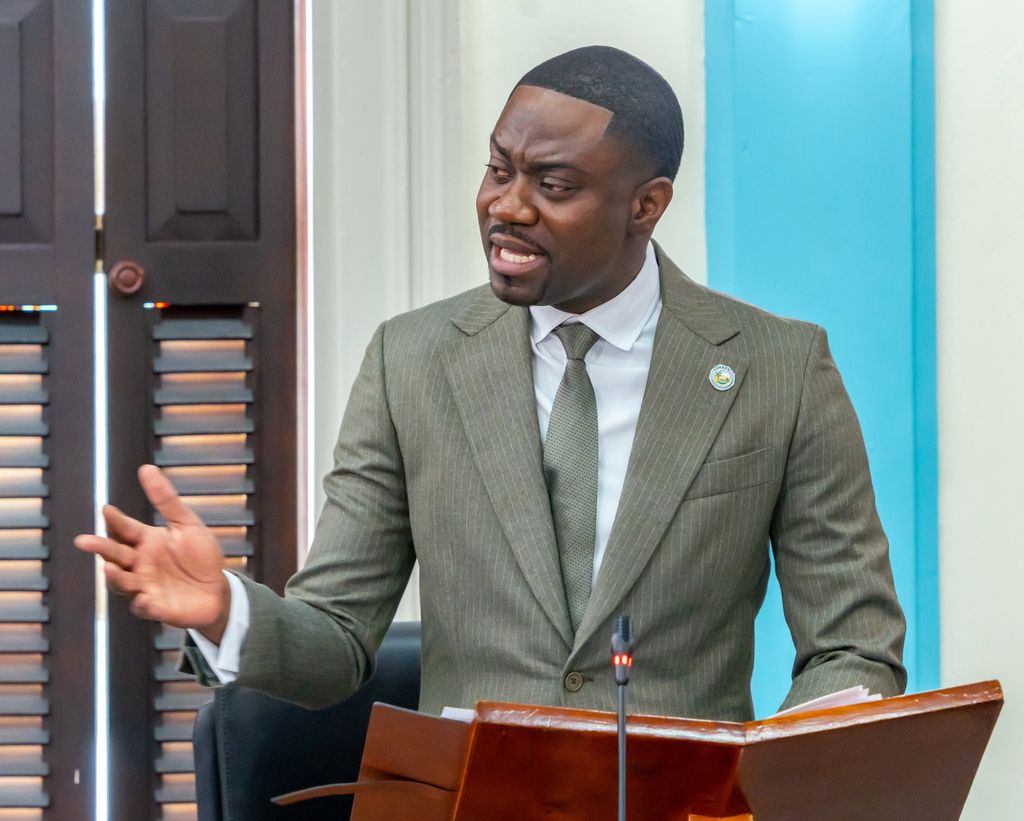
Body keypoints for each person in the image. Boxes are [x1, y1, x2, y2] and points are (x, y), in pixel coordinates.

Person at [76, 46, 906, 721]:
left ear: (646, 205)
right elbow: (336, 641)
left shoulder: (780, 368)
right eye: (498, 169)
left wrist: (767, 784)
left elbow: (854, 646)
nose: (506, 206)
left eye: (554, 185)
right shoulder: (411, 361)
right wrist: (227, 608)